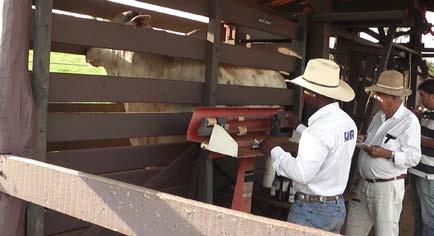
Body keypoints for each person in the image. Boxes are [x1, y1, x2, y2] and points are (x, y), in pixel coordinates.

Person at [260, 58, 357, 233]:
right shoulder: (347, 123)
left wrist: (274, 151)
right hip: (336, 207)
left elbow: (301, 173)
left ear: (314, 93)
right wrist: (298, 126)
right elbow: (327, 144)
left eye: (305, 90)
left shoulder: (319, 130)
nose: (303, 93)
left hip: (312, 211)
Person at [345, 70, 421, 236]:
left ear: (393, 97)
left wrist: (387, 154)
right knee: (352, 231)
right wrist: (364, 139)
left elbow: (414, 157)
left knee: (385, 233)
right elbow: (374, 140)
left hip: (386, 189)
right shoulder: (379, 116)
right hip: (363, 184)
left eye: (379, 96)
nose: (376, 99)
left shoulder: (409, 122)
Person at [408, 79, 434, 236]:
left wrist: (414, 137)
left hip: (429, 175)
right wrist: (416, 118)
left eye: (423, 96)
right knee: (418, 214)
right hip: (417, 170)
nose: (421, 99)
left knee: (429, 218)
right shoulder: (426, 114)